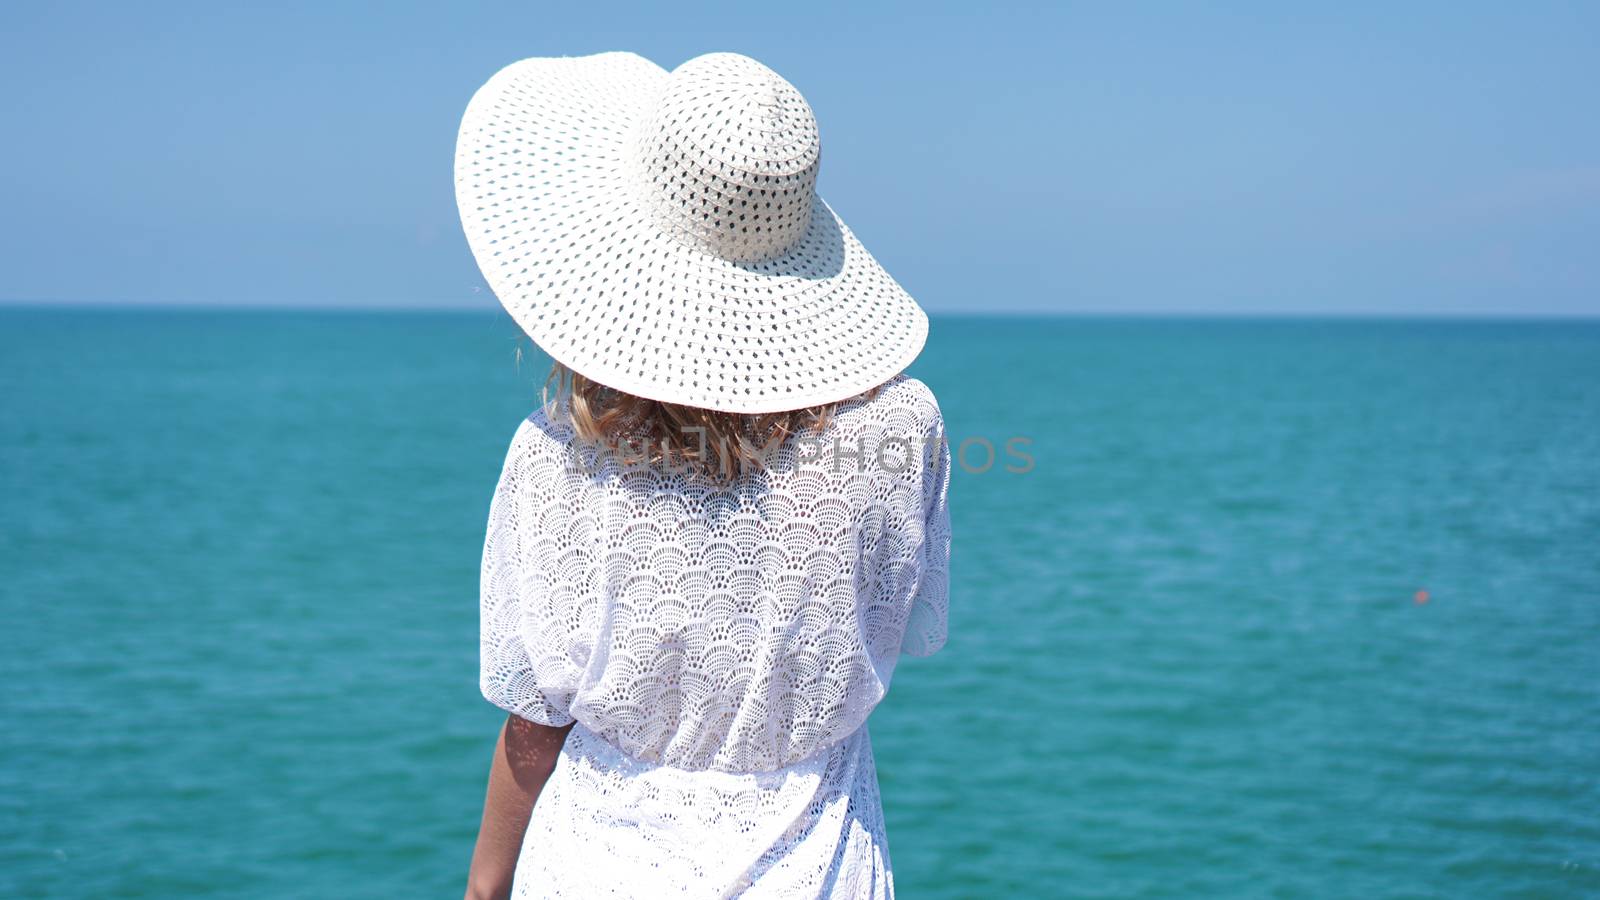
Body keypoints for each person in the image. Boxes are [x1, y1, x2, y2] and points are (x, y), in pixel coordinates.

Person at [456, 51, 952, 899]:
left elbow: (536, 724)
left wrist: (484, 885)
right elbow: (904, 627)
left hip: (593, 871)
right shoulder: (905, 430)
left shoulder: (555, 458)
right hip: (819, 868)